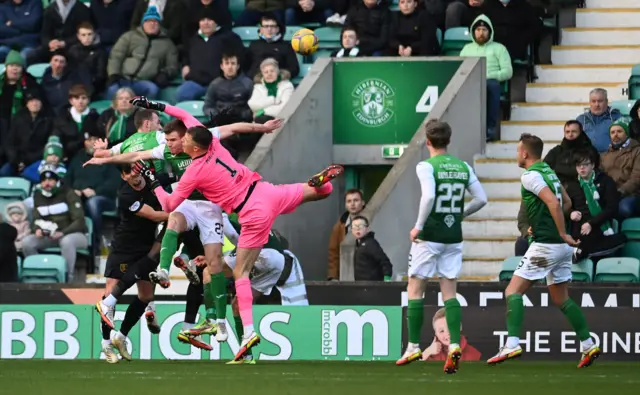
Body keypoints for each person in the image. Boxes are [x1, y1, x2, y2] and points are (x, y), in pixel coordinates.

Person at [130, 96, 343, 362]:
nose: (181, 141)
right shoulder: (210, 139)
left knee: (241, 273)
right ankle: (319, 183)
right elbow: (182, 113)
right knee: (320, 191)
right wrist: (153, 105)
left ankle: (248, 333)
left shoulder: (194, 171)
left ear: (195, 149)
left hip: (252, 211)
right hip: (267, 191)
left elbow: (171, 204)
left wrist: (153, 184)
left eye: (185, 141)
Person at [85, 112, 283, 344]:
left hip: (206, 207)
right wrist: (103, 159)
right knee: (171, 230)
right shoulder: (161, 152)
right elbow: (137, 157)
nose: (166, 142)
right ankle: (162, 275)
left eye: (172, 140)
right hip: (181, 203)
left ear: (186, 138)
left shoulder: (205, 142)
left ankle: (213, 321)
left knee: (207, 266)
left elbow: (232, 127)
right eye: (165, 137)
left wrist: (262, 128)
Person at [486, 133, 600, 368]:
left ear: (525, 153)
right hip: (560, 249)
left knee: (512, 292)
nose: (517, 154)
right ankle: (588, 344)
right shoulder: (550, 172)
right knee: (561, 298)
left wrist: (560, 232)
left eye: (518, 150)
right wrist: (544, 223)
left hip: (547, 244)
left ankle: (512, 344)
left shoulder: (530, 175)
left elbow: (554, 203)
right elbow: (567, 203)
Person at [397, 119, 487, 374]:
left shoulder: (426, 166)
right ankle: (456, 344)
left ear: (427, 142)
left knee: (415, 290)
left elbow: (429, 195)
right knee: (449, 292)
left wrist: (418, 226)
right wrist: (461, 215)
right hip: (453, 236)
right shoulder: (463, 167)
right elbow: (481, 199)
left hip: (430, 235)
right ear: (449, 140)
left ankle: (414, 346)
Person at [96, 163, 168, 364]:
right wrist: (182, 216)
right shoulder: (126, 195)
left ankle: (121, 336)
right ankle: (105, 344)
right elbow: (154, 216)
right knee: (110, 295)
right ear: (123, 176)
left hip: (146, 248)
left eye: (135, 171)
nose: (133, 176)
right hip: (124, 248)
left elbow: (180, 178)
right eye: (128, 173)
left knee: (146, 295)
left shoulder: (156, 181)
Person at [22, 164, 88, 282]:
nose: (47, 183)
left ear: (57, 180)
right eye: (44, 180)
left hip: (74, 235)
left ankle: (68, 277)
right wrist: (36, 229)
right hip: (49, 236)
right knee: (27, 242)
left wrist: (62, 233)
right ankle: (40, 272)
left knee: (66, 241)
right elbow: (35, 219)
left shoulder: (69, 193)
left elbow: (80, 221)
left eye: (51, 179)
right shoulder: (38, 195)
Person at [566, 149, 626, 261]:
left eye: (585, 164)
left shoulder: (605, 181)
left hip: (599, 224)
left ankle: (581, 251)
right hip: (579, 228)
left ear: (593, 165)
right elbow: (564, 207)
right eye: (579, 165)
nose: (582, 168)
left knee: (621, 238)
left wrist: (591, 223)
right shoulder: (572, 185)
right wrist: (571, 213)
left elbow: (612, 208)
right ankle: (583, 250)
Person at [460, 15, 512, 141]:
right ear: (473, 32)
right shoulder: (467, 49)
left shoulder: (499, 48)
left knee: (491, 85)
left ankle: (489, 129)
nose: (481, 33)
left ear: (490, 32)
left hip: (490, 81)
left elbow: (508, 71)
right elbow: (460, 69)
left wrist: (488, 76)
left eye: (484, 30)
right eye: (478, 30)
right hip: (471, 81)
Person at [600, 119, 640, 219]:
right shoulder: (605, 155)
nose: (615, 135)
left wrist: (620, 192)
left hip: (630, 194)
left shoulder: (637, 151)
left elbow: (636, 178)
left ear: (626, 134)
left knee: (623, 209)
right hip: (609, 194)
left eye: (619, 131)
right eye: (612, 132)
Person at [543, 120, 599, 188]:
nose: (570, 134)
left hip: (582, 188)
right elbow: (544, 168)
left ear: (580, 132)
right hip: (559, 188)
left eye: (574, 131)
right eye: (567, 132)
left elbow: (593, 170)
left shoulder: (589, 150)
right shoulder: (557, 151)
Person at [328, 188, 365, 281]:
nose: (352, 204)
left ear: (363, 203)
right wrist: (333, 276)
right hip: (346, 273)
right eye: (349, 201)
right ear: (345, 205)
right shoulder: (339, 226)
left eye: (356, 200)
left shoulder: (368, 222)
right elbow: (333, 253)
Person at [248, 58, 294, 124]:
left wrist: (263, 111)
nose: (269, 74)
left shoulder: (287, 85)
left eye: (272, 71)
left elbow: (285, 107)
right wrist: (273, 100)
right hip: (260, 122)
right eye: (266, 72)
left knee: (261, 119)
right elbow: (253, 104)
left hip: (281, 120)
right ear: (262, 74)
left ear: (277, 72)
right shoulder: (258, 87)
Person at [576, 88, 622, 153]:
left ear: (606, 101)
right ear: (590, 102)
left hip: (610, 158)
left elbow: (625, 140)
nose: (596, 104)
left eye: (600, 101)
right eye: (593, 101)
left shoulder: (616, 117)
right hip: (586, 159)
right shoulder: (581, 119)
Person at [351, 215, 392, 281]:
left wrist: (387, 277)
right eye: (355, 227)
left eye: (361, 226)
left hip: (372, 285)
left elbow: (384, 261)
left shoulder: (371, 243)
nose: (358, 229)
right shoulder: (359, 244)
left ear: (367, 228)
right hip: (361, 284)